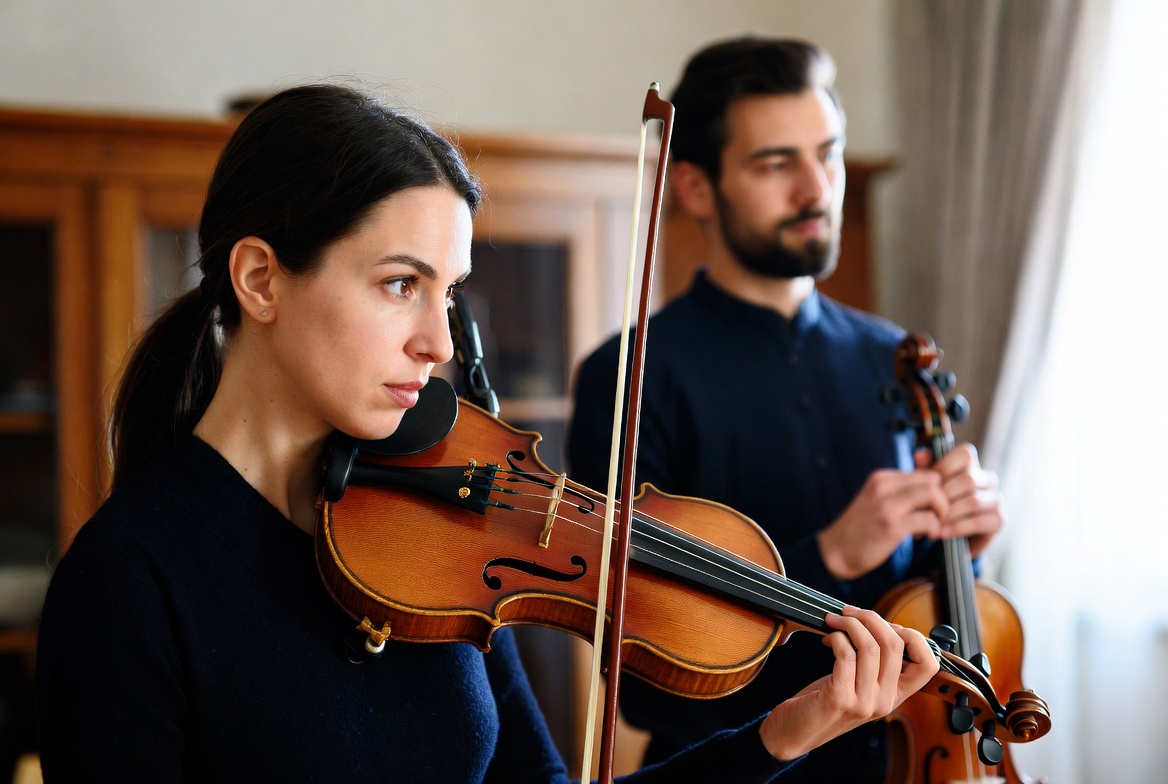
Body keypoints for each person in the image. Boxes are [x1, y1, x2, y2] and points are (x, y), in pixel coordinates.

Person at [34, 83, 939, 783]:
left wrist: (796, 728)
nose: (438, 341)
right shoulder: (130, 577)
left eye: (450, 291)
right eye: (400, 283)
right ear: (261, 280)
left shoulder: (443, 531)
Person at [567, 37, 1005, 783]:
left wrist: (967, 546)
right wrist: (827, 556)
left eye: (827, 154)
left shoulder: (895, 356)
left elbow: (932, 620)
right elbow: (643, 674)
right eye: (776, 164)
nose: (817, 187)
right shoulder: (628, 375)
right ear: (698, 189)